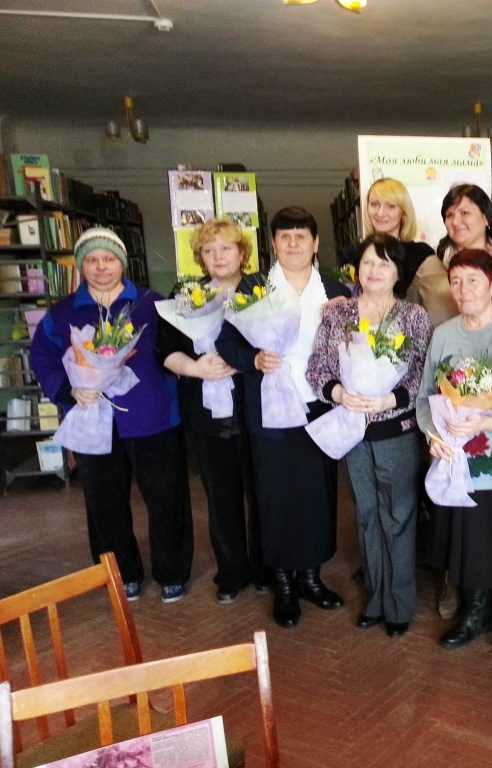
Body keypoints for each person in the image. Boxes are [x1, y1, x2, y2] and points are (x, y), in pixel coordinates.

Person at [30, 228, 193, 602]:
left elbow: (177, 348)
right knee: (104, 501)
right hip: (92, 418)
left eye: (108, 258)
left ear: (122, 262)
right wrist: (68, 390)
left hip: (153, 416)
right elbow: (42, 357)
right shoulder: (63, 312)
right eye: (91, 260)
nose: (101, 267)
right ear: (81, 266)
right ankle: (122, 573)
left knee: (166, 497)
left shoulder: (153, 304)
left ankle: (172, 571)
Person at [216, 206, 349, 629]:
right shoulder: (254, 287)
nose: (293, 243)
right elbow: (226, 341)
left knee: (317, 494)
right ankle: (283, 584)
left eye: (301, 236)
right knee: (273, 496)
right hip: (270, 408)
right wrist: (253, 359)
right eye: (284, 236)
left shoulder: (335, 287)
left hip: (319, 407)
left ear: (315, 243)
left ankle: (310, 576)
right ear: (273, 244)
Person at [307, 234, 431, 638]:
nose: (374, 271)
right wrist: (339, 394)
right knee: (366, 515)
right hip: (353, 431)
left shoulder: (413, 317)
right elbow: (317, 368)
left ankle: (399, 603)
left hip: (397, 430)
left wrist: (388, 399)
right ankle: (375, 598)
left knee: (399, 516)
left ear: (398, 272)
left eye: (384, 263)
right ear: (357, 270)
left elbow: (421, 374)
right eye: (368, 263)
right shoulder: (339, 314)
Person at [415, 249, 492, 655]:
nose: (463, 290)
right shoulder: (443, 335)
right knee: (468, 539)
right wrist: (432, 434)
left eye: (473, 281)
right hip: (457, 460)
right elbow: (425, 397)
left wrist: (489, 423)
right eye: (456, 281)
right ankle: (474, 610)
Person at [158, 219, 266, 604]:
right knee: (220, 496)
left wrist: (243, 362)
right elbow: (165, 350)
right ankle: (232, 572)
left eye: (226, 248)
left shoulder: (261, 290)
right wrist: (195, 367)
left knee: (261, 493)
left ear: (242, 253)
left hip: (256, 406)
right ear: (200, 258)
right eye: (209, 250)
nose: (218, 257)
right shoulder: (186, 294)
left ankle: (266, 567)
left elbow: (279, 343)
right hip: (205, 411)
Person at [406, 183, 492, 330]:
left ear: (486, 218)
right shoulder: (429, 267)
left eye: (464, 213)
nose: (455, 221)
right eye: (449, 215)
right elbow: (407, 319)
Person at [338, 177, 435, 296]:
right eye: (374, 204)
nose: (380, 213)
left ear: (403, 212)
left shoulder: (421, 254)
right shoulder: (352, 252)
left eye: (391, 206)